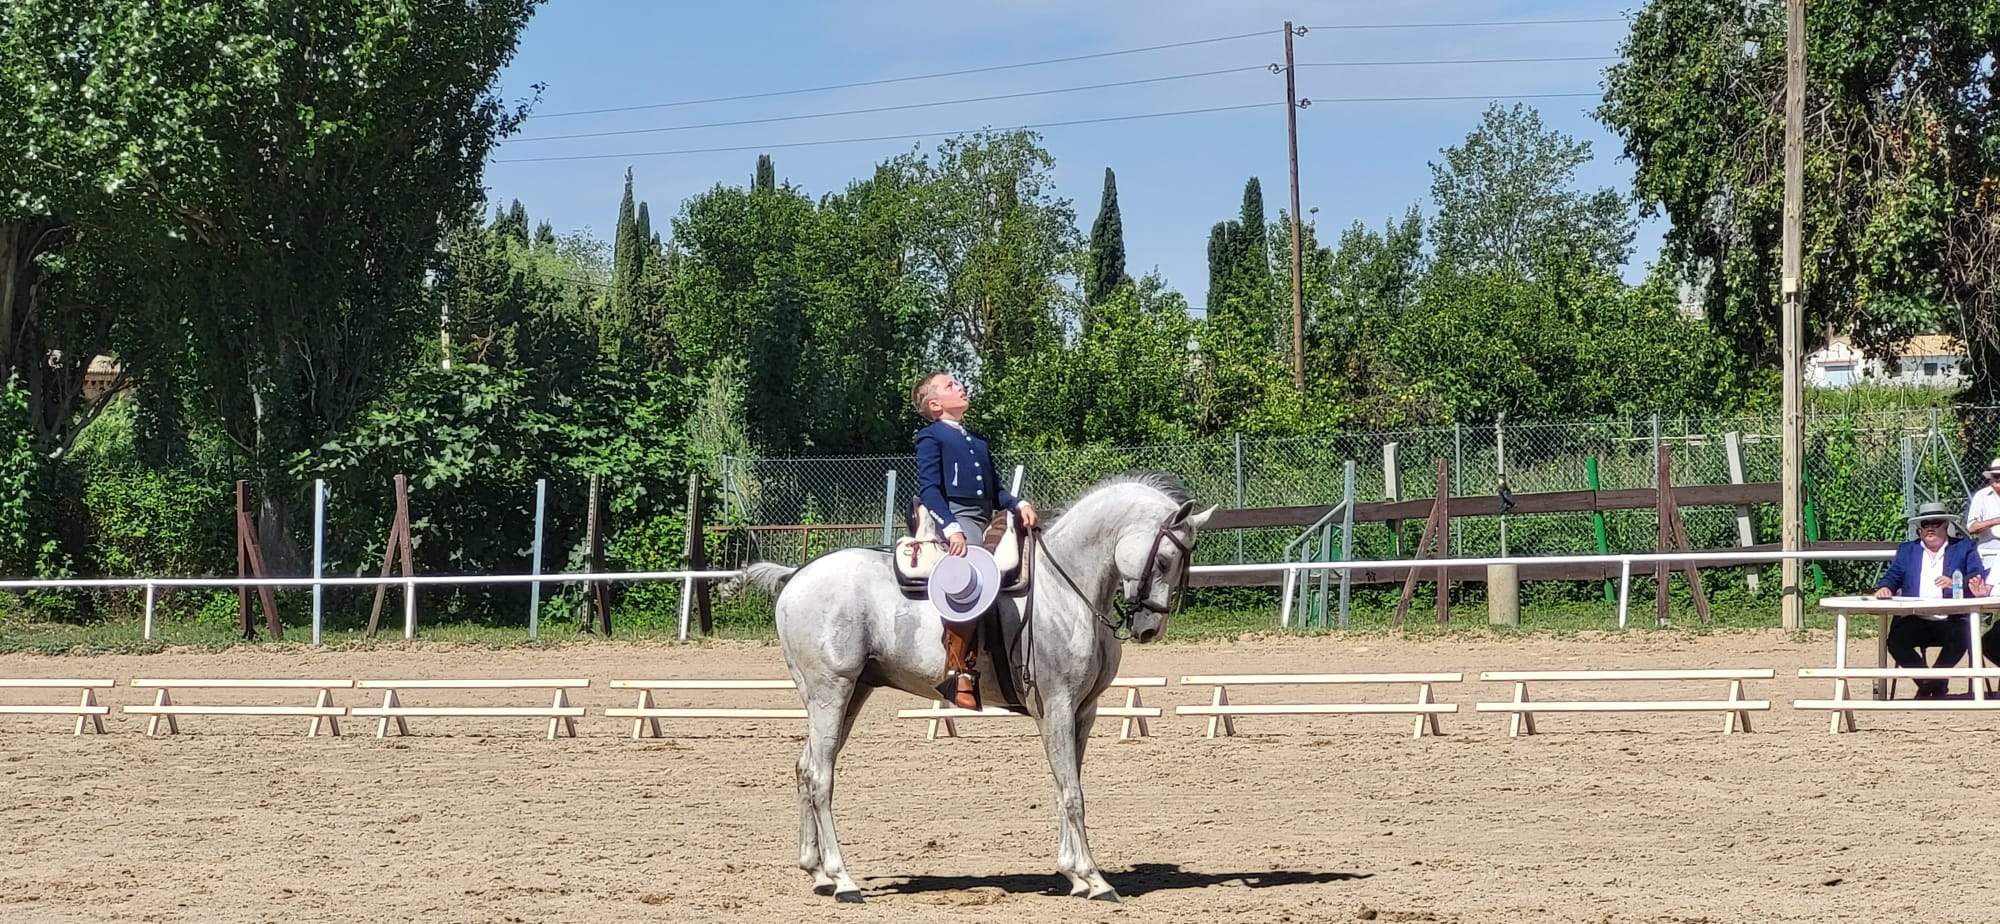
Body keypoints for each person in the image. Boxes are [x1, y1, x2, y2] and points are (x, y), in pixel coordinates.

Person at [909, 372, 1038, 710]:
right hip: (955, 517)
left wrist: (1018, 503)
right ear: (935, 405)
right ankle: (959, 670)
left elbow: (995, 491)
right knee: (972, 573)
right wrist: (951, 528)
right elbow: (930, 491)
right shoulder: (930, 437)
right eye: (951, 385)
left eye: (958, 383)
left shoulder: (977, 442)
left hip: (985, 517)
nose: (960, 386)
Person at [1873, 501, 1989, 699]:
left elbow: (1976, 575)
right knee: (1895, 641)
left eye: (1935, 523)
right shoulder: (1907, 550)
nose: (1930, 528)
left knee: (1963, 636)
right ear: (1920, 528)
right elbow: (1893, 575)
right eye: (1925, 524)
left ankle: (1932, 684)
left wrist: (1955, 583)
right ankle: (1931, 683)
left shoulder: (1964, 547)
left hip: (1951, 619)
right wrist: (1885, 587)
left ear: (1946, 525)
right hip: (1914, 618)